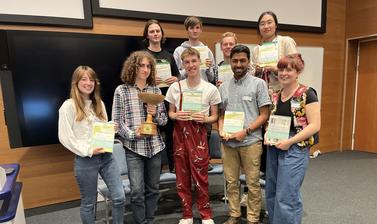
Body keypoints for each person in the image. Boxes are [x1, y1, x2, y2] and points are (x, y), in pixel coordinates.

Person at [58, 66, 125, 224]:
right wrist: (88, 150)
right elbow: (65, 137)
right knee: (89, 204)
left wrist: (111, 128)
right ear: (76, 82)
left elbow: (100, 131)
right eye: (84, 79)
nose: (88, 83)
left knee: (119, 197)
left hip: (107, 157)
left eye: (91, 79)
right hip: (85, 160)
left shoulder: (99, 103)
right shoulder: (68, 106)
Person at [165, 48, 221, 224]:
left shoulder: (210, 88)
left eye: (193, 61)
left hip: (199, 134)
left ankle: (206, 214)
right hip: (180, 134)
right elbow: (170, 114)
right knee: (182, 177)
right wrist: (176, 116)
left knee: (201, 176)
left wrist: (205, 118)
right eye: (187, 62)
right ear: (182, 65)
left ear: (200, 62)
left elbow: (215, 116)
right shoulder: (175, 87)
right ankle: (187, 214)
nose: (191, 65)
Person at [112, 51, 168, 224]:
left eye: (148, 66)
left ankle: (149, 220)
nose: (145, 69)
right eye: (141, 65)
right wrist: (132, 134)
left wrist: (155, 113)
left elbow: (164, 120)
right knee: (136, 191)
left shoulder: (155, 90)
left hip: (155, 147)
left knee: (153, 189)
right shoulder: (122, 90)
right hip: (134, 148)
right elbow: (117, 122)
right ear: (133, 67)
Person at [265, 53, 321, 224]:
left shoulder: (307, 94)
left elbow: (314, 125)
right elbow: (272, 121)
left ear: (298, 72)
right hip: (274, 146)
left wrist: (289, 141)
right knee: (272, 192)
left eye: (288, 69)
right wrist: (268, 134)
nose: (283, 73)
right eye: (281, 69)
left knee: (287, 195)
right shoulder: (276, 94)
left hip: (295, 147)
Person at [218, 45, 271, 224]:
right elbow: (221, 114)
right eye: (235, 61)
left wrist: (246, 131)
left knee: (252, 183)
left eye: (242, 60)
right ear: (230, 62)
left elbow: (265, 114)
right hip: (229, 144)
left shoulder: (259, 84)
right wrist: (221, 129)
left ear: (248, 62)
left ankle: (253, 218)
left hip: (251, 141)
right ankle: (234, 215)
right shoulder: (224, 86)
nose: (238, 64)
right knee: (231, 182)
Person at [143, 19, 180, 172]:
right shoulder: (143, 55)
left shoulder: (169, 56)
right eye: (152, 31)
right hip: (150, 103)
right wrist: (150, 79)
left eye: (158, 31)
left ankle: (174, 170)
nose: (155, 33)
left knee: (172, 138)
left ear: (162, 34)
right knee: (152, 139)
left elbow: (178, 75)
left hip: (168, 102)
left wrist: (175, 79)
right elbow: (136, 78)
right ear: (147, 35)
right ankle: (154, 173)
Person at [252, 11, 298, 93]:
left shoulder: (286, 42)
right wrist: (257, 71)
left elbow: (295, 69)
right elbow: (253, 76)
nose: (266, 26)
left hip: (284, 92)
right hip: (262, 94)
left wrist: (276, 70)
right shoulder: (256, 49)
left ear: (276, 25)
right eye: (262, 24)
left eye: (269, 22)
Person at [173, 16, 215, 83]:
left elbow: (212, 78)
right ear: (187, 30)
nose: (195, 31)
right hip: (185, 89)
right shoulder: (179, 51)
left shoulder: (207, 51)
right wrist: (188, 68)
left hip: (203, 89)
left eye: (197, 28)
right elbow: (175, 76)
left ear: (201, 30)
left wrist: (209, 68)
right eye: (191, 28)